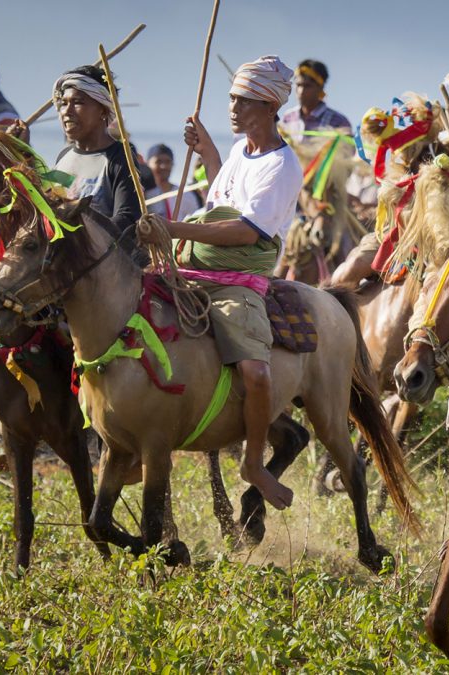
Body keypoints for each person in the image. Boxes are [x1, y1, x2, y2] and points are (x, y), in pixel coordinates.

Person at [163, 56, 303, 509]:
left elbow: (245, 231)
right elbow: (220, 200)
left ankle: (254, 462)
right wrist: (207, 154)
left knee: (256, 373)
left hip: (235, 281)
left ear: (267, 105)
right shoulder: (242, 153)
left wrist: (175, 230)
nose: (232, 107)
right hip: (191, 269)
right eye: (231, 99)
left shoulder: (282, 166)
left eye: (242, 100)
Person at [52, 66, 143, 241]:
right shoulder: (63, 157)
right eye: (63, 103)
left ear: (103, 110)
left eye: (78, 102)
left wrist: (79, 240)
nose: (67, 111)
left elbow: (127, 219)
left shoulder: (120, 157)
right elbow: (53, 203)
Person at [280, 59, 351, 142]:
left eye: (307, 86)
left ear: (320, 87)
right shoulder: (288, 118)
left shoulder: (338, 122)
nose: (301, 91)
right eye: (298, 85)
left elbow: (348, 152)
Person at [144, 144, 200, 221]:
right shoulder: (144, 194)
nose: (163, 166)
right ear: (147, 164)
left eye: (168, 162)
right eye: (158, 161)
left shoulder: (185, 194)